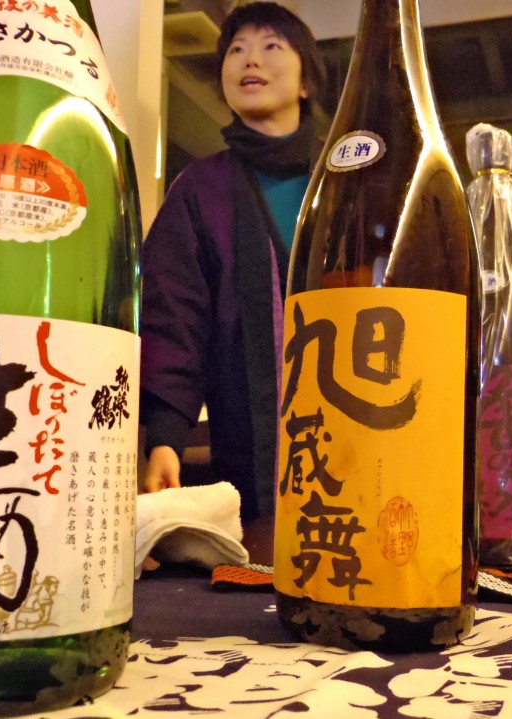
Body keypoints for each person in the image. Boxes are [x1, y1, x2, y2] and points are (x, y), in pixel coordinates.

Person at [139, 2, 326, 520]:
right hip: (248, 454)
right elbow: (173, 316)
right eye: (237, 49)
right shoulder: (200, 189)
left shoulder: (348, 180)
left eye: (271, 46)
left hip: (359, 427)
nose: (250, 60)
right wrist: (166, 440)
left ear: (307, 81)